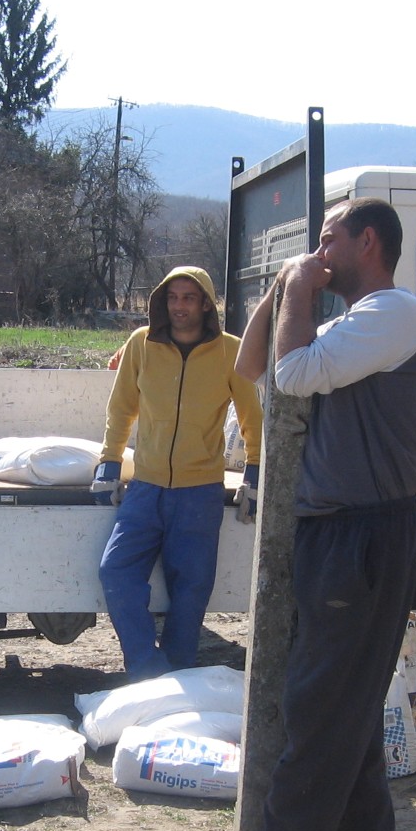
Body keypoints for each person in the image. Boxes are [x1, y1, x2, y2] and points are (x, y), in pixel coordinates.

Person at [221, 198, 416, 831]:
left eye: (328, 238)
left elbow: (291, 374)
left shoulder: (396, 314)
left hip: (365, 529)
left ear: (367, 241)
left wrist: (299, 287)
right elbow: (252, 363)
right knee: (347, 692)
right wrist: (285, 286)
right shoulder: (354, 320)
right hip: (341, 527)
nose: (319, 251)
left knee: (318, 698)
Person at [92, 267, 263, 680]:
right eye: (172, 298)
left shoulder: (231, 351)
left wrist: (255, 473)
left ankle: (180, 672)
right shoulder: (141, 344)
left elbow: (252, 417)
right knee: (116, 570)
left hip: (199, 493)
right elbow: (122, 408)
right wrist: (109, 462)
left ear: (205, 303)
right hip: (146, 487)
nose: (179, 306)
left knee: (191, 590)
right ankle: (147, 670)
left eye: (189, 297)